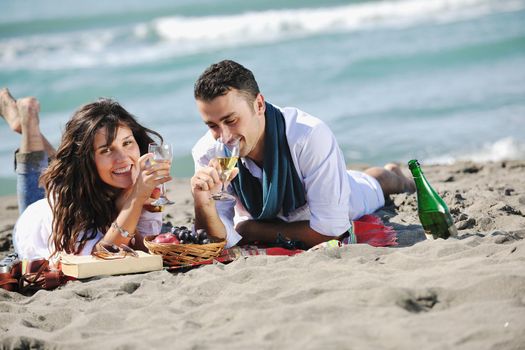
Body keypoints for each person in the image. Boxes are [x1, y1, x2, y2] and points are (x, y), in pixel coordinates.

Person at [190, 60, 415, 249]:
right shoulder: (208, 152)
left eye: (231, 120)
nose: (225, 136)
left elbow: (330, 232)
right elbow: (215, 240)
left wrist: (250, 229)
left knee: (376, 182)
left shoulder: (308, 136)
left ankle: (395, 175)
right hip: (291, 211)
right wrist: (203, 202)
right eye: (212, 125)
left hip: (346, 197)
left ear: (259, 105)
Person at [0, 88, 171, 260]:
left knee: (61, 166)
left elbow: (143, 249)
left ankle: (26, 122)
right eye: (106, 150)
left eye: (127, 143)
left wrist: (127, 203)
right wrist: (136, 198)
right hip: (34, 225)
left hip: (82, 178)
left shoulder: (143, 178)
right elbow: (102, 255)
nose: (123, 158)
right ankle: (28, 124)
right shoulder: (70, 203)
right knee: (52, 176)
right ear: (87, 159)